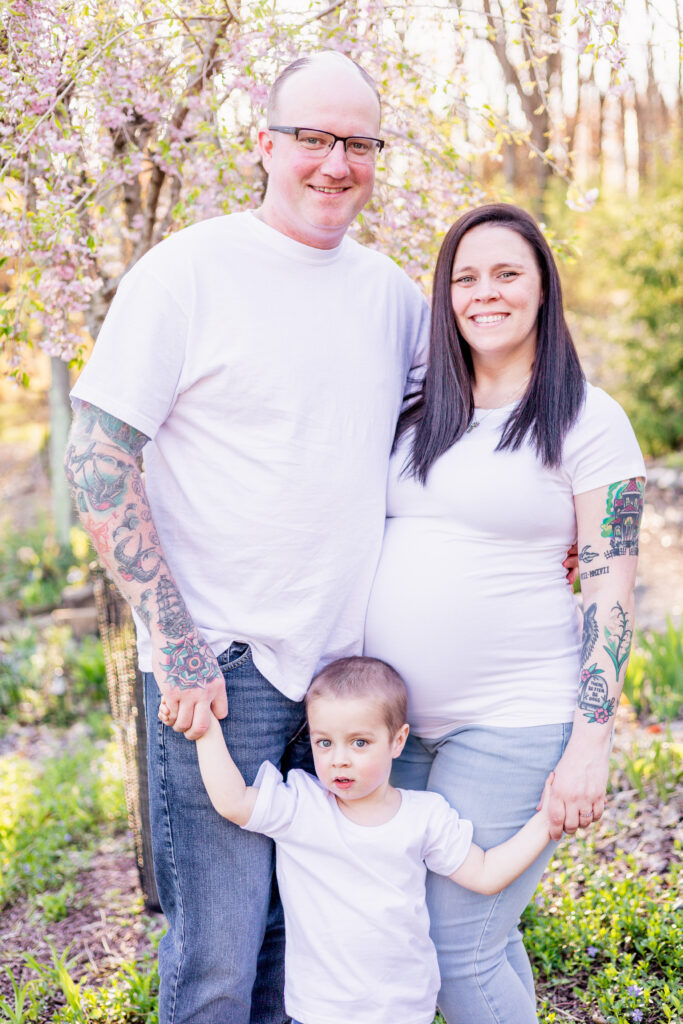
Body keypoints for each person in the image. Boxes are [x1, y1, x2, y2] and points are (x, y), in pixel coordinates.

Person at [64, 52, 430, 1024]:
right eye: (311, 136)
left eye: (356, 142)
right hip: (217, 670)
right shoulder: (188, 271)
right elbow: (97, 454)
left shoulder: (391, 297)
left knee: (304, 954)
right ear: (263, 144)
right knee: (219, 961)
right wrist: (175, 642)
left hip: (344, 679)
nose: (333, 162)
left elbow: (448, 444)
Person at [364, 203, 646, 1024]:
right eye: (465, 277)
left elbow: (609, 589)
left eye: (505, 273)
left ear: (542, 288)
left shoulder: (591, 421)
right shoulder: (416, 410)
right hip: (399, 728)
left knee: (460, 946)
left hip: (514, 721)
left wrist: (591, 743)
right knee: (443, 934)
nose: (484, 293)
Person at [161, 655, 558, 1024]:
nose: (339, 759)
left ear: (397, 741)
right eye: (324, 742)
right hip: (318, 1011)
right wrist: (206, 731)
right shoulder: (302, 807)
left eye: (360, 742)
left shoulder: (424, 816)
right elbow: (233, 801)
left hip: (403, 1010)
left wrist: (547, 821)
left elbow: (485, 874)